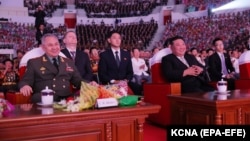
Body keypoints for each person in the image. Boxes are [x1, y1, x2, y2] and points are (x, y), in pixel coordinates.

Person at [18, 33, 83, 103]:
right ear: (43, 47)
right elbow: (25, 81)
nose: (54, 47)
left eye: (56, 44)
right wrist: (24, 86)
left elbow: (79, 81)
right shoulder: (34, 63)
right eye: (50, 45)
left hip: (66, 100)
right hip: (44, 99)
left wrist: (91, 84)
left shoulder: (69, 62)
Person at [98, 30, 142, 95]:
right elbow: (102, 74)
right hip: (111, 84)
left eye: (119, 38)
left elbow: (130, 72)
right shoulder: (104, 55)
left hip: (125, 83)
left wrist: (126, 80)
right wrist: (114, 81)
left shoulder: (126, 54)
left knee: (139, 89)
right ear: (109, 40)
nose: (117, 40)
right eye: (114, 38)